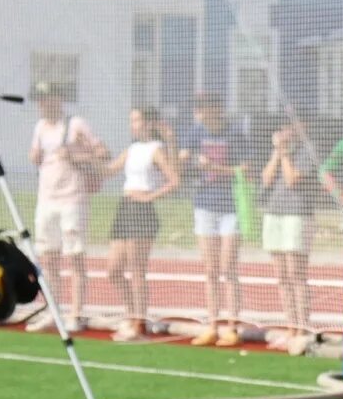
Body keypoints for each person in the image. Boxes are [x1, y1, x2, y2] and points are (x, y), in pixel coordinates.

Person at [26, 81, 105, 333]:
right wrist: (35, 156)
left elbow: (102, 153)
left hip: (72, 198)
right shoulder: (40, 127)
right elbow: (36, 154)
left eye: (46, 98)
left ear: (58, 98)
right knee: (48, 257)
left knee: (75, 257)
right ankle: (52, 310)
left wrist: (75, 155)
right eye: (39, 99)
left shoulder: (76, 124)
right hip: (46, 198)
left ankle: (76, 313)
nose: (41, 104)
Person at [180, 93, 249, 347]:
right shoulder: (195, 132)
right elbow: (183, 161)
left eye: (205, 107)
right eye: (199, 108)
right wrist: (183, 160)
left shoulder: (234, 132)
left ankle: (232, 326)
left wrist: (216, 168)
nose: (201, 112)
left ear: (217, 109)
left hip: (230, 206)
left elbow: (246, 169)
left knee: (227, 267)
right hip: (204, 205)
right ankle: (211, 324)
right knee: (210, 270)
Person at [104, 106, 177, 342]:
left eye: (136, 120)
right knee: (113, 269)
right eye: (131, 120)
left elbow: (174, 180)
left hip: (141, 209)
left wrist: (149, 197)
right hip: (124, 207)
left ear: (148, 123)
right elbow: (107, 171)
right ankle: (130, 313)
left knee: (136, 270)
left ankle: (139, 323)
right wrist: (90, 154)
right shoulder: (132, 149)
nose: (132, 124)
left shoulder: (156, 149)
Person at [261, 117, 316, 355]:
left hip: (297, 215)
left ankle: (302, 326)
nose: (284, 132)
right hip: (275, 214)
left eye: (288, 127)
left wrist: (284, 154)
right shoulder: (278, 152)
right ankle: (290, 325)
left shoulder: (306, 151)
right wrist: (277, 153)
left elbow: (293, 179)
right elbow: (267, 178)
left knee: (297, 274)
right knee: (282, 275)